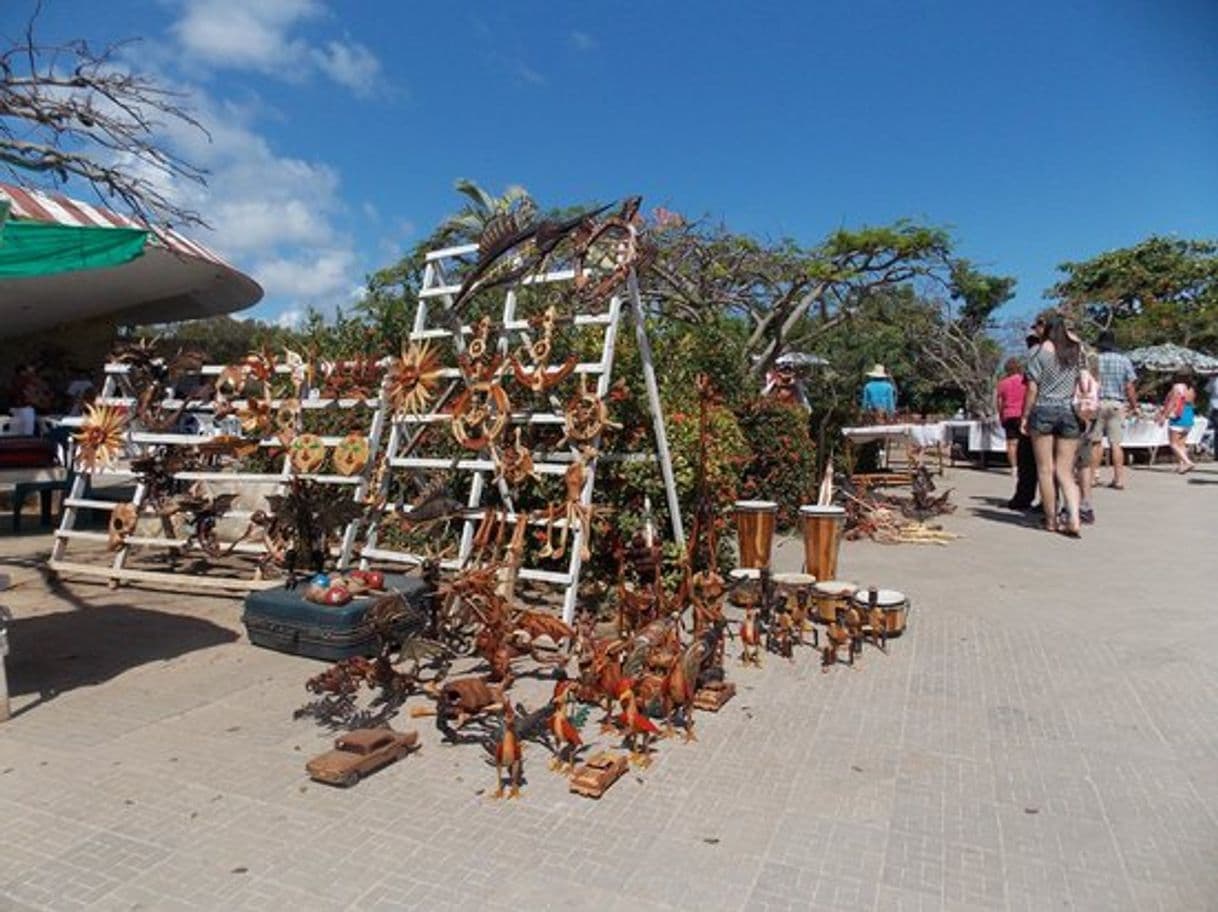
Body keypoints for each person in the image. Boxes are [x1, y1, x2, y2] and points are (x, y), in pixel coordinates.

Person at [1020, 312, 1084, 536]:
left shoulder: (1038, 353)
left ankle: (1051, 519)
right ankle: (1074, 517)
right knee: (1066, 471)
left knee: (1045, 470)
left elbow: (1032, 388)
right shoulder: (1075, 352)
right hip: (1069, 411)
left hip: (1044, 409)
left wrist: (1025, 416)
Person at [1087, 330, 1138, 490]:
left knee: (1096, 442)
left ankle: (1094, 476)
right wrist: (1134, 405)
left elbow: (1088, 383)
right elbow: (1129, 386)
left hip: (1097, 403)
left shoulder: (1094, 360)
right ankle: (1118, 478)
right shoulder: (1124, 360)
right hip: (1117, 403)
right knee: (1116, 443)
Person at [1007, 328, 1044, 511]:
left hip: (1038, 411)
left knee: (1027, 458)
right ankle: (1049, 500)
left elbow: (1030, 388)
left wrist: (1026, 415)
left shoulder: (1033, 356)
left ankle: (1024, 496)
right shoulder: (1061, 355)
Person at [1158, 372, 1197, 473]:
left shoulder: (1177, 387)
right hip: (1189, 414)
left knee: (1173, 443)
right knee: (1181, 444)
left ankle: (1188, 462)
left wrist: (1164, 416)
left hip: (1179, 415)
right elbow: (1192, 403)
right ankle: (1181, 466)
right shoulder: (1191, 388)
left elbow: (1172, 403)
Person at [994, 357, 1026, 476]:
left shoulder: (1002, 383)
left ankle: (1014, 467)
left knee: (1011, 443)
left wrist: (1001, 414)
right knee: (1025, 443)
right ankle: (1025, 466)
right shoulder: (1025, 381)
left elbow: (999, 401)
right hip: (1023, 414)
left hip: (1009, 414)